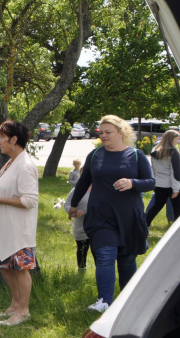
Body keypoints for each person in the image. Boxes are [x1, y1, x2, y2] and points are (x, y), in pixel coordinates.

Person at [70, 115, 154, 313]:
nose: (103, 136)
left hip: (129, 217)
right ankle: (104, 301)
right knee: (105, 255)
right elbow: (83, 182)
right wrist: (74, 205)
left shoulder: (136, 155)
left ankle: (128, 301)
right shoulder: (95, 155)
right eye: (101, 132)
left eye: (108, 132)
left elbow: (150, 182)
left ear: (120, 133)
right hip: (101, 216)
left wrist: (132, 183)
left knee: (126, 260)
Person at [0, 120, 39, 327]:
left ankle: (23, 311)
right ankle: (15, 304)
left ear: (14, 140)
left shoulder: (25, 164)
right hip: (2, 225)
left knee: (20, 268)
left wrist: (0, 200)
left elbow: (30, 200)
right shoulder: (10, 162)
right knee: (4, 265)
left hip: (17, 228)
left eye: (1, 138)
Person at [145, 129, 180, 227]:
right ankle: (177, 231)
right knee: (177, 209)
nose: (178, 141)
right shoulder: (173, 152)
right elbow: (176, 172)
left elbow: (153, 169)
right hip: (172, 186)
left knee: (156, 207)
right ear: (172, 139)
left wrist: (153, 183)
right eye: (177, 139)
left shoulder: (155, 152)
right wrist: (176, 189)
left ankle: (144, 224)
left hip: (159, 184)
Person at [65, 186, 91, 271]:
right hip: (81, 227)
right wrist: (74, 213)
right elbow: (67, 204)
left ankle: (101, 273)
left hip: (98, 228)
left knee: (99, 253)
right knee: (82, 249)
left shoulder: (101, 187)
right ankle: (81, 271)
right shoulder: (77, 190)